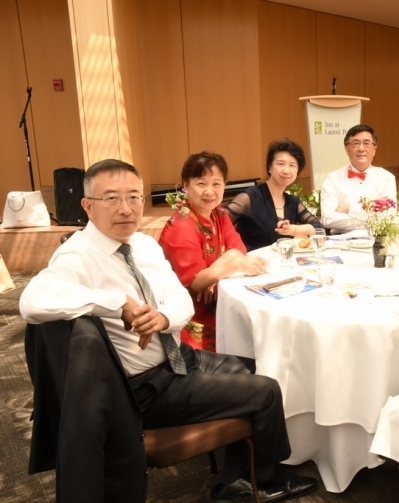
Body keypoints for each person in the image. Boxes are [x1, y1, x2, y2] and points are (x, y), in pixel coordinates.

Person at [19, 159, 316, 502]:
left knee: (260, 367)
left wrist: (162, 318)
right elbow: (31, 300)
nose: (126, 208)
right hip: (146, 388)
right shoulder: (77, 256)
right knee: (267, 391)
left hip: (179, 358)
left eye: (134, 197)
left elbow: (181, 299)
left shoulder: (142, 244)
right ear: (87, 206)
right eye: (112, 198)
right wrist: (117, 302)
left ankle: (237, 475)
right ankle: (262, 480)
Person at [159, 151, 267, 352]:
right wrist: (233, 266)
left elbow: (238, 247)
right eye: (201, 183)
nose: (209, 191)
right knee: (255, 343)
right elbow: (196, 281)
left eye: (216, 184)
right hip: (190, 318)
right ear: (186, 185)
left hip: (218, 305)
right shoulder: (181, 226)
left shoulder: (219, 214)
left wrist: (214, 274)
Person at [227, 138, 323, 251]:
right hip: (252, 259)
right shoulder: (249, 198)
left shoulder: (293, 202)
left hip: (283, 260)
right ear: (270, 167)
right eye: (281, 164)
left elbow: (318, 228)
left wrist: (292, 230)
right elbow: (219, 224)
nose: (286, 171)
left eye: (292, 165)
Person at [319, 124, 397, 233]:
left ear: (374, 149)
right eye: (355, 143)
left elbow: (388, 216)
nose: (361, 148)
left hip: (376, 238)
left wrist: (348, 209)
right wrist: (371, 215)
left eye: (366, 143)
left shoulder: (386, 178)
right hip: (340, 239)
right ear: (347, 149)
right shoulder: (332, 179)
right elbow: (327, 219)